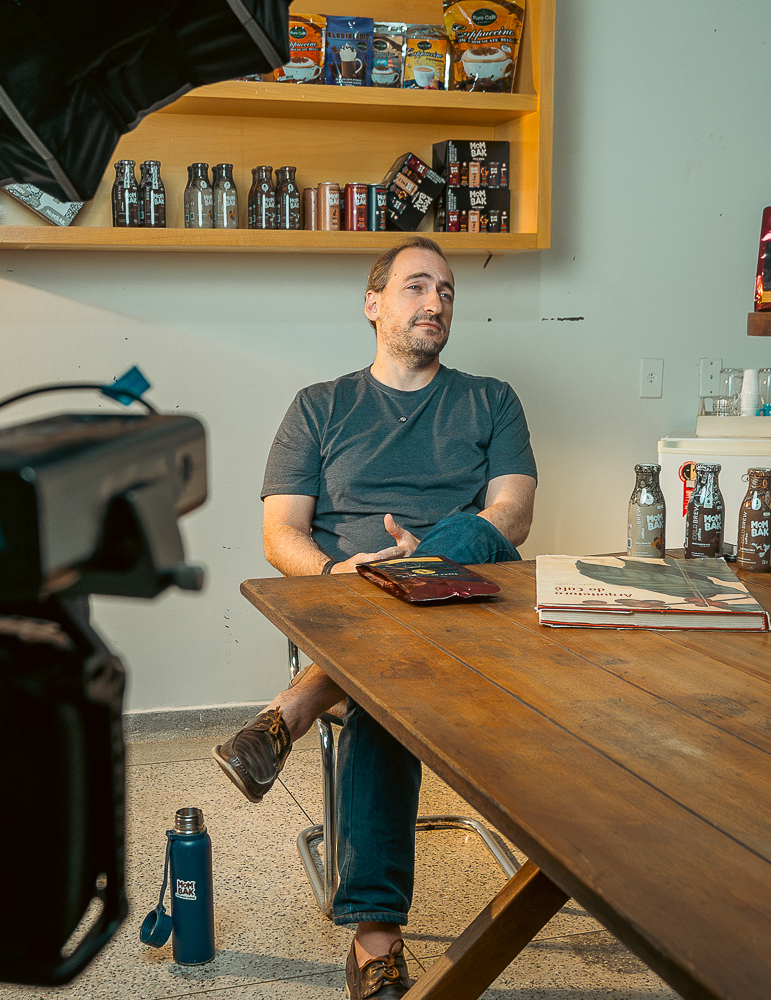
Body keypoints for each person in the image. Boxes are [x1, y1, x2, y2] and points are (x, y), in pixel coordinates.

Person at [212, 236, 536, 1000]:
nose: (436, 302)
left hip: (469, 609)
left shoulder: (491, 399)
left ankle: (292, 711)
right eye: (417, 285)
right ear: (373, 303)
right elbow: (280, 534)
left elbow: (512, 516)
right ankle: (377, 941)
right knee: (387, 675)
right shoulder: (319, 406)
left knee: (472, 536)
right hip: (348, 606)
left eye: (447, 291)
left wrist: (422, 566)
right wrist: (339, 574)